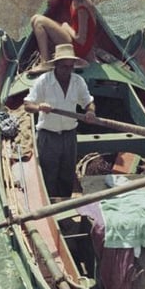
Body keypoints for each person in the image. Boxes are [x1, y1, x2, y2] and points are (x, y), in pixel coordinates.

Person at [22, 43, 97, 199]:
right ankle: (49, 202)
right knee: (48, 173)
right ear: (56, 65)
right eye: (63, 67)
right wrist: (39, 107)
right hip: (48, 136)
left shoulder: (78, 81)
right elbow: (28, 105)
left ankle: (65, 203)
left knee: (67, 173)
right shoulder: (44, 81)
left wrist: (90, 112)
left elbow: (88, 102)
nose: (67, 70)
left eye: (70, 67)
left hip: (69, 135)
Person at [30, 0, 98, 66]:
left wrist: (66, 26)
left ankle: (44, 63)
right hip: (77, 41)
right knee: (35, 19)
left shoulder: (82, 8)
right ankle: (46, 58)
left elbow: (81, 40)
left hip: (79, 48)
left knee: (38, 21)